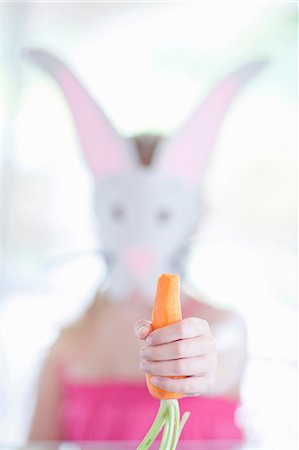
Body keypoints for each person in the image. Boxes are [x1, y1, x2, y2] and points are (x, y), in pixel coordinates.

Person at [26, 49, 265, 442]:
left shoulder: (223, 327)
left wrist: (200, 355)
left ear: (194, 217)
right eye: (121, 213)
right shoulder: (67, 345)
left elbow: (220, 351)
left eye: (162, 216)